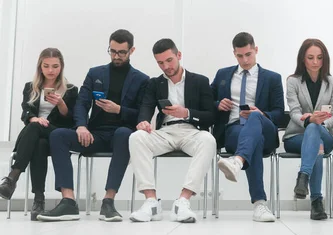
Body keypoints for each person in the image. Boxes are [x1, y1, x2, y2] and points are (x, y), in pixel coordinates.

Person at [37, 29, 149, 222]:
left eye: (121, 52)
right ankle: (68, 201)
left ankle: (108, 202)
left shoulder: (142, 80)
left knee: (124, 133)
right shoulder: (95, 73)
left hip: (120, 137)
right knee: (58, 135)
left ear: (132, 50)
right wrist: (81, 126)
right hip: (94, 134)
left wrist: (119, 110)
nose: (116, 56)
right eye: (112, 51)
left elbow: (141, 115)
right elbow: (81, 103)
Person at [128, 39, 216, 223]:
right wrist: (143, 122)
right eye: (160, 63)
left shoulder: (200, 81)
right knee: (136, 137)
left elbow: (211, 116)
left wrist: (187, 113)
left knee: (209, 140)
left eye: (169, 60)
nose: (166, 66)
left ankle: (182, 202)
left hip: (191, 131)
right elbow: (146, 107)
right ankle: (151, 202)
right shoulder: (154, 84)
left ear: (179, 55)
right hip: (165, 133)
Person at [212, 32, 284, 222]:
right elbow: (207, 102)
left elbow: (279, 114)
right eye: (240, 56)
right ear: (234, 54)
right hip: (234, 130)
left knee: (255, 120)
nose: (244, 60)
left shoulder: (272, 78)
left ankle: (237, 161)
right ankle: (259, 204)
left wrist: (260, 114)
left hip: (265, 128)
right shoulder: (223, 74)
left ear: (256, 50)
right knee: (254, 142)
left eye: (248, 54)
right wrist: (217, 104)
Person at [0, 48, 78, 220]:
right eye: (47, 66)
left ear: (61, 67)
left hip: (57, 135)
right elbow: (25, 113)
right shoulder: (30, 87)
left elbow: (71, 120)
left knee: (36, 129)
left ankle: (13, 177)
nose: (51, 70)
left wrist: (61, 104)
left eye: (55, 66)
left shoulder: (71, 90)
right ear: (40, 67)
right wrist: (34, 118)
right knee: (38, 143)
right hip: (35, 136)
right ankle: (39, 201)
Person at [283, 39, 333, 220]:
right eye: (310, 57)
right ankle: (317, 202)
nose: (315, 62)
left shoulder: (332, 83)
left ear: (325, 59)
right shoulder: (293, 82)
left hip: (324, 133)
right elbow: (294, 113)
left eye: (319, 57)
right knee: (317, 144)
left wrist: (319, 123)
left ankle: (303, 175)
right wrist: (310, 120)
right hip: (296, 137)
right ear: (303, 59)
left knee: (316, 130)